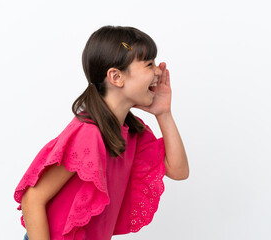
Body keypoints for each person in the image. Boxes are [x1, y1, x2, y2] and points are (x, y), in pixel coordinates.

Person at [14, 25, 189, 240]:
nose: (158, 71)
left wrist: (164, 113)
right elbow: (32, 198)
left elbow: (178, 171)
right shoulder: (89, 133)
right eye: (149, 64)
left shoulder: (132, 133)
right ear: (116, 77)